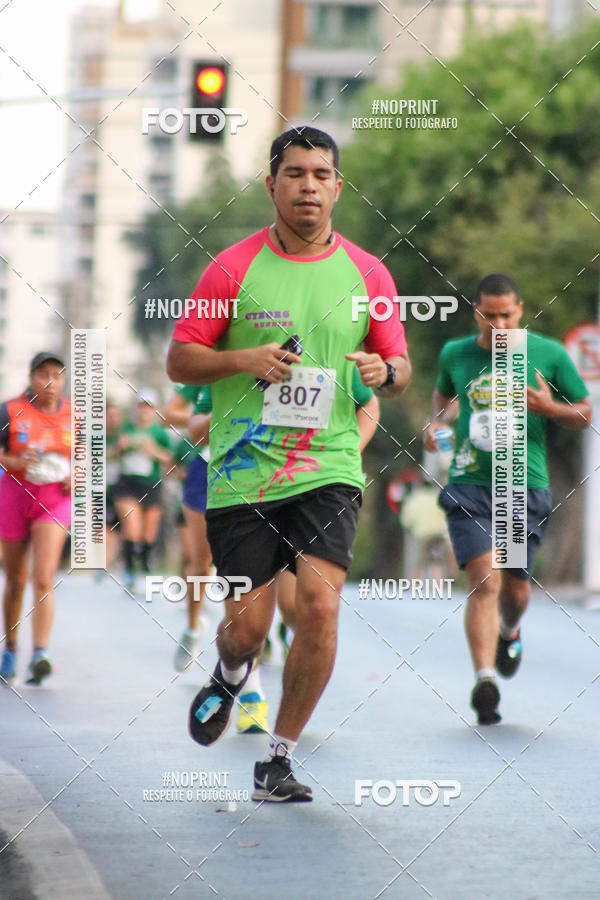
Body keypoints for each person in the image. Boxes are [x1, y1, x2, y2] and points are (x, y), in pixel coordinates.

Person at [167, 125, 411, 802]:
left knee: (320, 609)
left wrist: (384, 370)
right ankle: (230, 671)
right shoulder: (230, 268)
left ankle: (279, 758)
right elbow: (180, 358)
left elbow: (399, 368)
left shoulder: (369, 273)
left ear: (338, 187)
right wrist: (242, 359)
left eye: (321, 174)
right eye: (295, 173)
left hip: (328, 467)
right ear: (271, 184)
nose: (309, 186)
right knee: (247, 630)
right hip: (244, 471)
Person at [423, 273, 591, 725]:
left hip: (521, 486)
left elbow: (584, 412)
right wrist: (435, 426)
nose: (498, 324)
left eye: (506, 315)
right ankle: (485, 681)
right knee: (484, 580)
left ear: (520, 311)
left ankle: (510, 630)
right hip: (470, 484)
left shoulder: (548, 354)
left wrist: (549, 408)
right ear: (476, 311)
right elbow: (442, 398)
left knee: (515, 590)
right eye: (488, 315)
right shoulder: (455, 353)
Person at [236, 369, 381, 735]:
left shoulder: (330, 353)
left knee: (297, 607)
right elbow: (198, 419)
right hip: (250, 491)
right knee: (249, 623)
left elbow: (369, 404)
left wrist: (348, 453)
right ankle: (249, 692)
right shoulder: (240, 353)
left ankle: (292, 649)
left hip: (311, 491)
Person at [0, 352, 72, 686]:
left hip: (54, 499)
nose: (50, 382)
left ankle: (40, 653)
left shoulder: (75, 414)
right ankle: (11, 648)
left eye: (57, 375)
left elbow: (87, 456)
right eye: (43, 375)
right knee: (16, 579)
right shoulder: (10, 410)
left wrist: (78, 475)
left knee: (43, 578)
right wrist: (13, 462)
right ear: (31, 378)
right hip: (15, 495)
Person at [163, 384, 213, 670]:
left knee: (248, 559)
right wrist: (206, 418)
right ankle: (193, 628)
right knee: (201, 561)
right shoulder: (208, 371)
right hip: (205, 467)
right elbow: (168, 414)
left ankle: (259, 633)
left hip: (251, 465)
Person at [112, 389, 172, 592]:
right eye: (141, 406)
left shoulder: (160, 433)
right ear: (136, 408)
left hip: (152, 484)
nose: (144, 411)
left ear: (154, 410)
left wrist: (154, 452)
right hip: (128, 484)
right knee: (132, 528)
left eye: (148, 407)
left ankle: (145, 561)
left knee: (148, 534)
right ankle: (129, 569)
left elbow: (170, 460)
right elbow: (112, 454)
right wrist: (120, 448)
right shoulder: (125, 429)